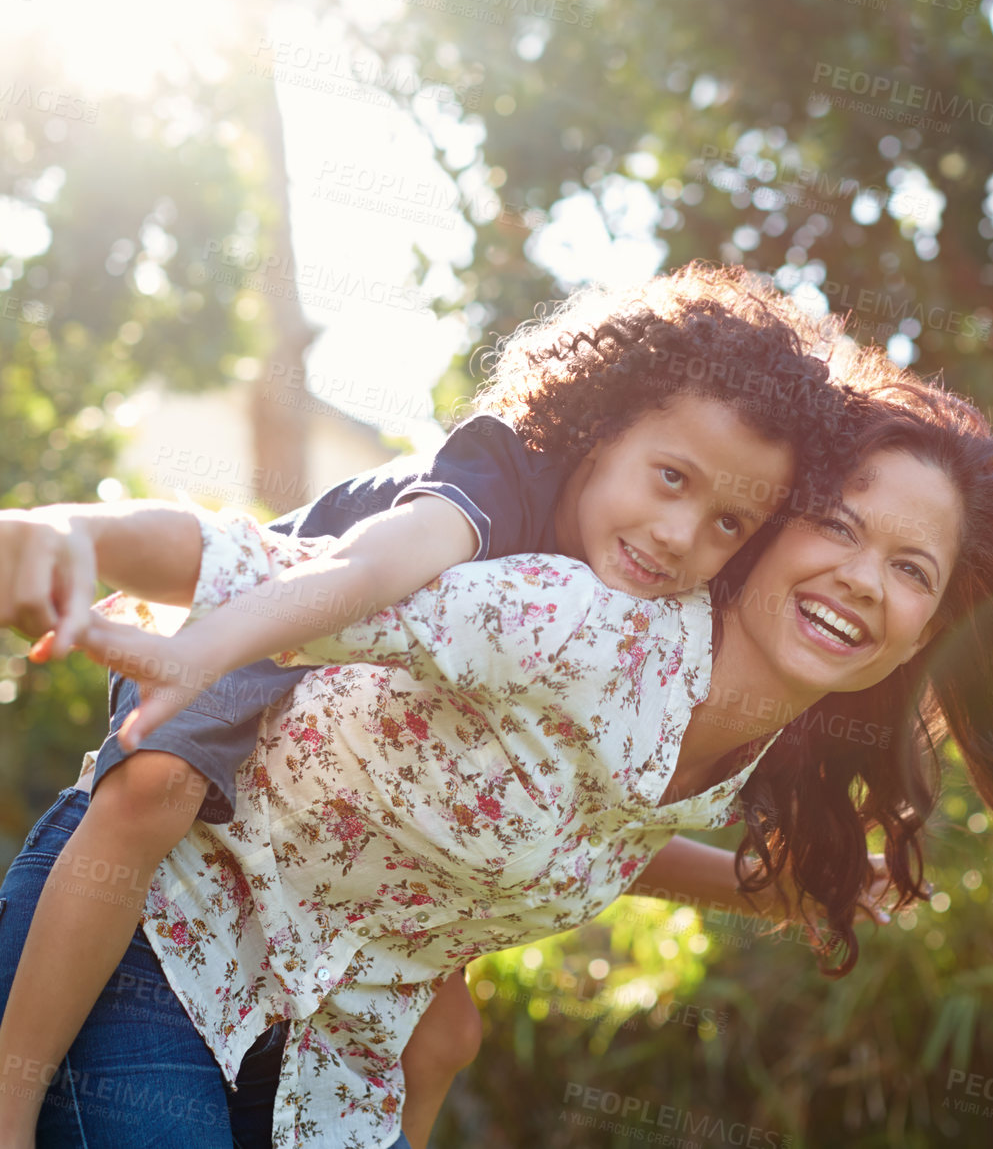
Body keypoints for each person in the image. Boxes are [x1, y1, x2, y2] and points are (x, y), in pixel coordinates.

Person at [0, 356, 993, 1148]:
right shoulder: (573, 619)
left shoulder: (754, 742)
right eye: (837, 523)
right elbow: (259, 562)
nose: (864, 578)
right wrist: (68, 532)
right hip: (157, 934)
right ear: (776, 524)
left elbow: (572, 830)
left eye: (911, 570)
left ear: (926, 632)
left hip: (324, 1047)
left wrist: (779, 892)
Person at [0, 264, 847, 1149]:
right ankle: (9, 1105)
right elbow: (358, 576)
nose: (681, 535)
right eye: (671, 478)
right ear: (597, 437)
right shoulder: (496, 489)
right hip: (270, 611)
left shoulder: (645, 636)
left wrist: (781, 890)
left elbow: (587, 830)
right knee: (156, 789)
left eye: (728, 526)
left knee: (445, 1032)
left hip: (351, 740)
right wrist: (196, 647)